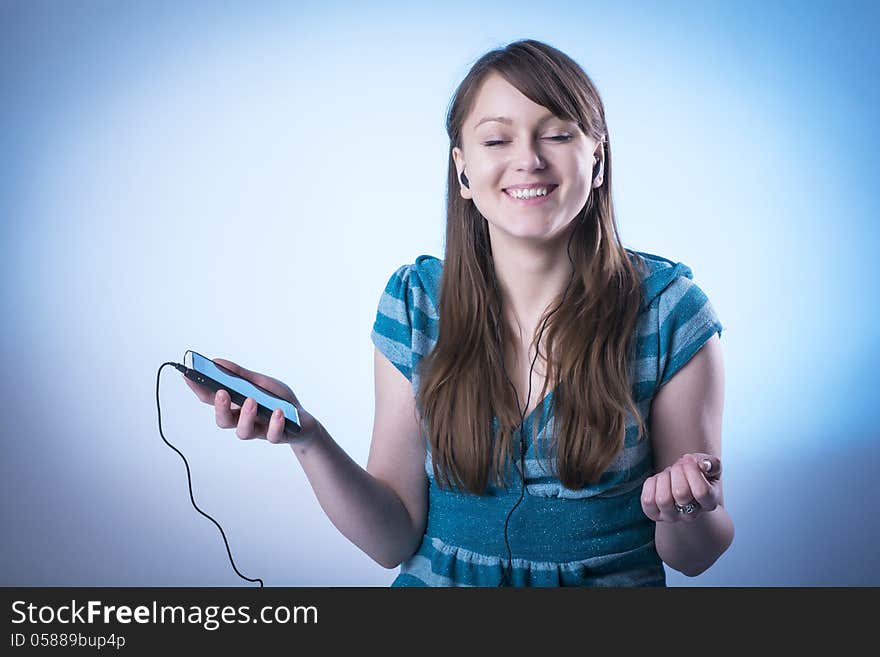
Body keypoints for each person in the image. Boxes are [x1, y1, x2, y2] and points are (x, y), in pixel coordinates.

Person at [184, 38, 733, 587]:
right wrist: (307, 436)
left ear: (597, 161)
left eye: (559, 134)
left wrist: (685, 507)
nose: (529, 159)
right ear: (463, 171)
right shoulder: (414, 302)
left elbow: (694, 555)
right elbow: (392, 539)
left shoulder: (670, 313)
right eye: (497, 139)